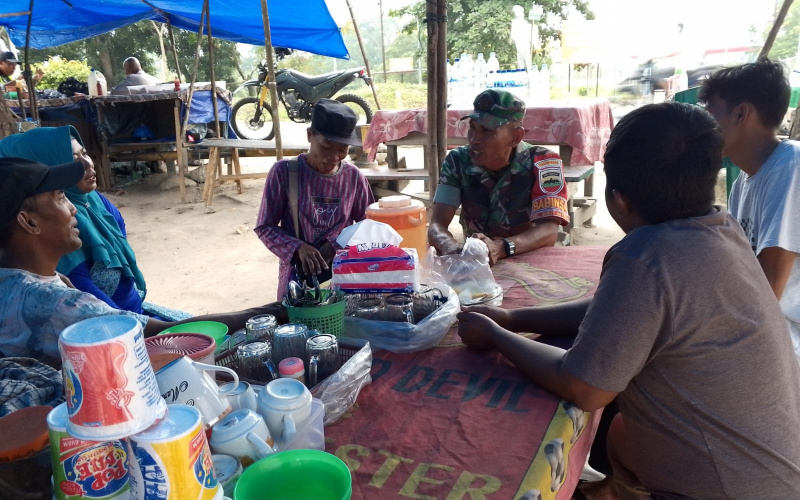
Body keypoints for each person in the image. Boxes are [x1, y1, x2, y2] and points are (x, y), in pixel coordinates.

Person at [457, 102, 800, 499]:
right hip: (778, 473)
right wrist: (513, 317)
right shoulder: (722, 229)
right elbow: (616, 312)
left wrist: (495, 335)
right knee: (620, 430)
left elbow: (584, 386)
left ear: (620, 201)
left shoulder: (647, 256)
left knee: (603, 417)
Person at [0, 157, 286, 368]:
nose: (73, 208)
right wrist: (269, 312)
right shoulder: (59, 305)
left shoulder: (18, 280)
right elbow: (160, 335)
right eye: (61, 197)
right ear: (29, 222)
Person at [0, 126, 182, 319]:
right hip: (117, 322)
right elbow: (103, 316)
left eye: (85, 153)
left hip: (132, 311)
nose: (87, 164)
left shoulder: (94, 201)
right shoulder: (54, 233)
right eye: (73, 159)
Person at [700, 59, 800, 359]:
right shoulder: (744, 181)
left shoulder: (791, 166)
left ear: (741, 113)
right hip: (769, 328)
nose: (705, 127)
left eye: (711, 113)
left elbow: (768, 291)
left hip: (787, 339)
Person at [428, 89, 569, 265]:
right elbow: (437, 225)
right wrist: (450, 246)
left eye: (487, 131)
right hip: (481, 263)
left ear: (515, 137)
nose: (474, 139)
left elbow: (549, 231)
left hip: (532, 261)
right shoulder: (457, 161)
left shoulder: (544, 162)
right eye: (472, 127)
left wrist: (501, 247)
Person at [255, 99, 374, 300]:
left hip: (345, 276)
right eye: (326, 146)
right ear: (310, 135)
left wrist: (335, 244)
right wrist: (298, 248)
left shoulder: (354, 177)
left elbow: (369, 225)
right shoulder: (284, 172)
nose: (334, 157)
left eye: (342, 149)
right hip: (297, 277)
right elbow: (265, 227)